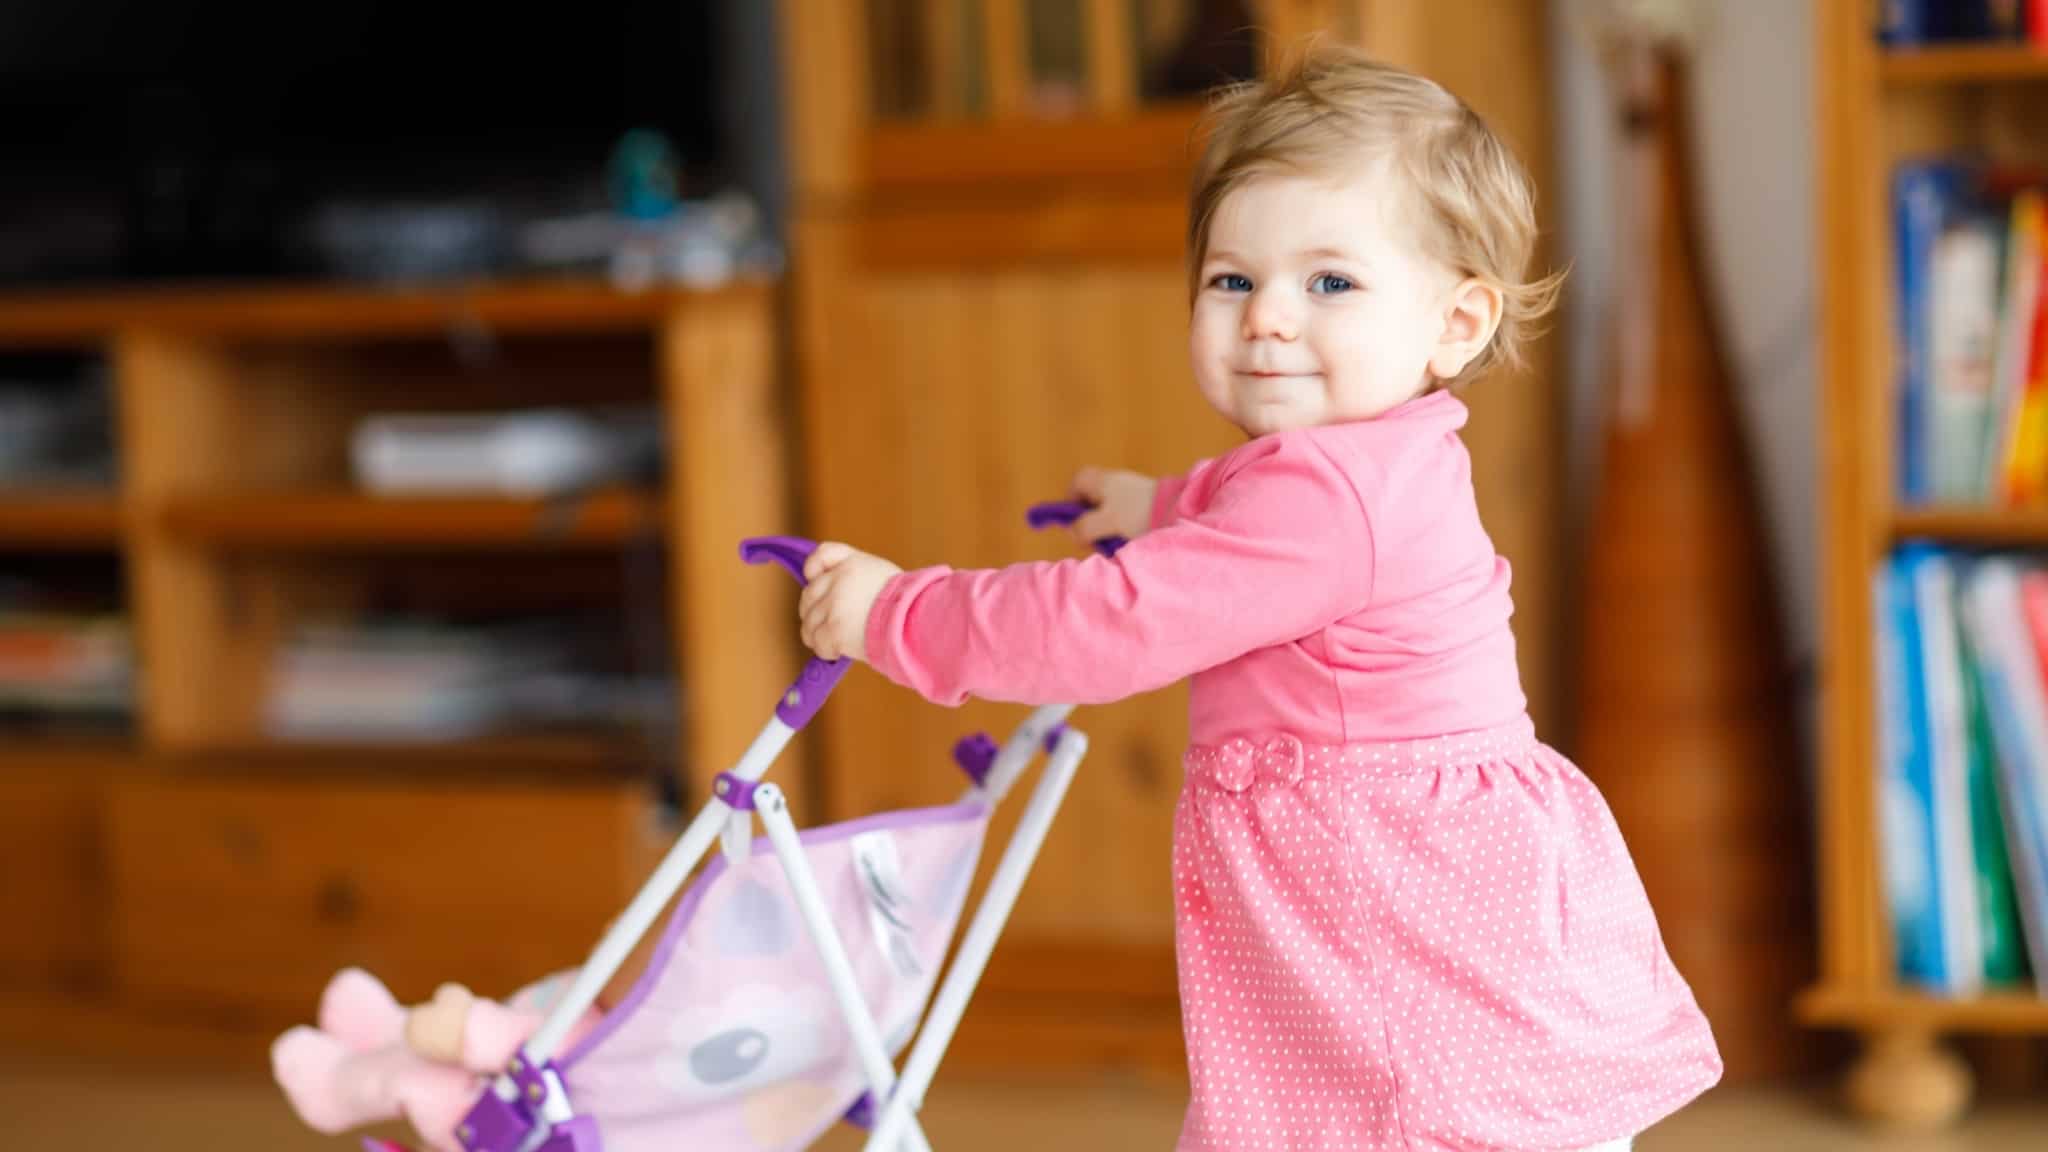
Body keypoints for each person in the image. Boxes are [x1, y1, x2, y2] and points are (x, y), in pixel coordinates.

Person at [794, 43, 1722, 1152]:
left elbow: (1110, 626)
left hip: (1399, 939)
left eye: (1328, 282)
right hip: (1407, 919)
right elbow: (1266, 532)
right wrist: (1161, 504)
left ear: (1455, 323)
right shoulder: (1375, 460)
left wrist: (898, 612)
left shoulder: (1325, 497)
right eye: (1231, 279)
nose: (1267, 318)